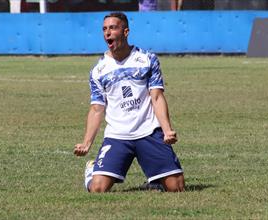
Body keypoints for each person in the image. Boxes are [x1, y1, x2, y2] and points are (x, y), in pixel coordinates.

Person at [73, 12, 185, 193]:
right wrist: (86, 143)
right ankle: (91, 171)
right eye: (104, 29)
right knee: (98, 189)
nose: (107, 33)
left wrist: (166, 130)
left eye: (113, 28)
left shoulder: (148, 59)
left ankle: (156, 177)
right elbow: (96, 109)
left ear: (126, 32)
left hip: (148, 131)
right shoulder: (98, 71)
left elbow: (156, 97)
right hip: (118, 135)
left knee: (177, 188)